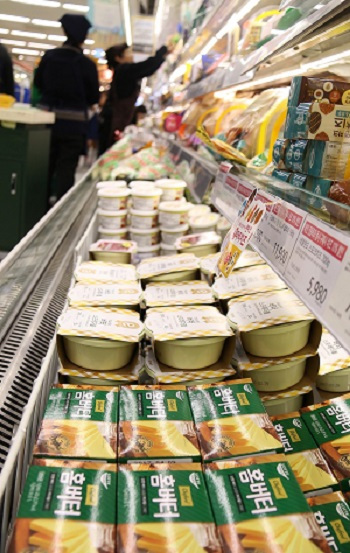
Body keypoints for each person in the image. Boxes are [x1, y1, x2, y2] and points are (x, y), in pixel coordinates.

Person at [35, 14, 99, 203]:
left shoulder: (49, 57)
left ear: (64, 31)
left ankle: (39, 209)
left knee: (44, 168)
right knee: (66, 170)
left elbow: (38, 83)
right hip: (74, 126)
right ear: (84, 36)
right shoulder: (87, 64)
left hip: (47, 122)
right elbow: (94, 97)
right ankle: (59, 213)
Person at [99, 43, 168, 155]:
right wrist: (162, 51)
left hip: (112, 121)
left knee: (109, 153)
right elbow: (147, 67)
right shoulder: (124, 70)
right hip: (115, 123)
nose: (131, 56)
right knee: (111, 153)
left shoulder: (120, 71)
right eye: (128, 53)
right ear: (118, 58)